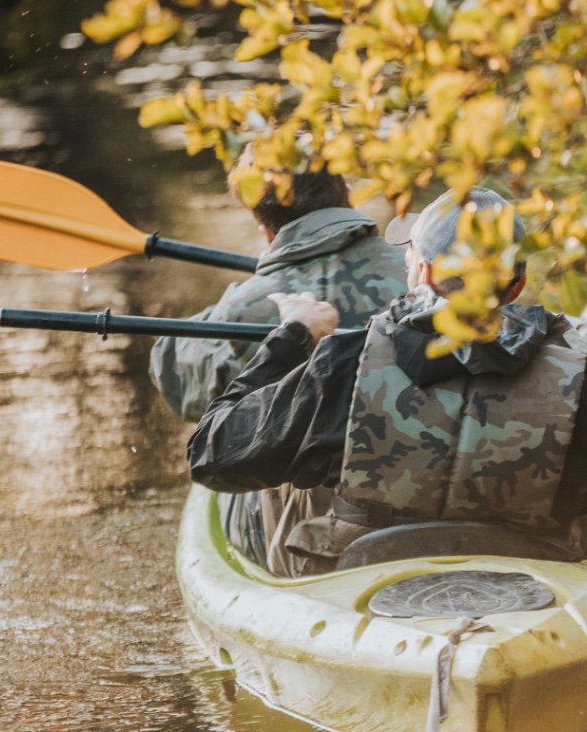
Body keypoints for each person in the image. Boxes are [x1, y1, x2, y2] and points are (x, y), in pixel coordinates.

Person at [186, 187, 587, 577]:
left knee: (288, 474)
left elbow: (212, 454)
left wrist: (290, 338)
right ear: (518, 286)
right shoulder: (582, 390)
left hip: (360, 580)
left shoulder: (341, 366)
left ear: (416, 270)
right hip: (532, 580)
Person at [150, 149, 410, 567]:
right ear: (348, 194)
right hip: (420, 483)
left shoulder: (246, 306)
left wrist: (221, 312)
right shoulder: (421, 271)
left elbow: (184, 392)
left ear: (264, 229)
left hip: (306, 523)